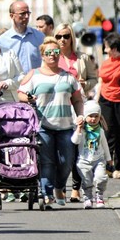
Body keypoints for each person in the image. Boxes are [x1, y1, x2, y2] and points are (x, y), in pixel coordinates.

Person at [18, 37, 84, 207]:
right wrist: (28, 98)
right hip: (42, 126)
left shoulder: (68, 77)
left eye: (56, 52)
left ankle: (59, 186)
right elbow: (21, 93)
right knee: (47, 162)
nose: (52, 56)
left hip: (65, 126)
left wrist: (80, 116)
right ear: (42, 55)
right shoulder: (34, 74)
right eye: (49, 53)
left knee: (67, 161)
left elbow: (77, 99)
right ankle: (47, 194)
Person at [54, 22, 98, 201]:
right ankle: (60, 186)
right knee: (63, 148)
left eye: (66, 36)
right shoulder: (52, 57)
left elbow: (94, 78)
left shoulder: (82, 58)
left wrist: (84, 84)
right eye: (59, 36)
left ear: (72, 37)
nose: (62, 40)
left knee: (79, 146)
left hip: (79, 105)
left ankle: (75, 188)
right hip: (59, 107)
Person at [95, 33, 120, 179]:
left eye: (107, 47)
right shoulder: (105, 62)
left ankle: (118, 166)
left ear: (115, 48)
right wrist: (96, 100)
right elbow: (102, 82)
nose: (105, 50)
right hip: (105, 100)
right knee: (108, 133)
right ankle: (107, 165)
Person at [72, 101, 112, 209]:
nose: (93, 119)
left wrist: (109, 159)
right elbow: (75, 141)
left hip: (99, 159)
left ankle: (99, 196)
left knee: (101, 178)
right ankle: (88, 198)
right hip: (83, 160)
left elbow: (105, 145)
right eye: (90, 116)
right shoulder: (83, 130)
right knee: (86, 181)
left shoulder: (101, 131)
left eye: (96, 116)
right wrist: (79, 129)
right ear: (85, 117)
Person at [0, 1, 45, 74]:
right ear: (12, 16)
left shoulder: (39, 37)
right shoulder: (2, 41)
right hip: (14, 83)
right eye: (22, 14)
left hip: (35, 82)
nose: (26, 17)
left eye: (28, 13)